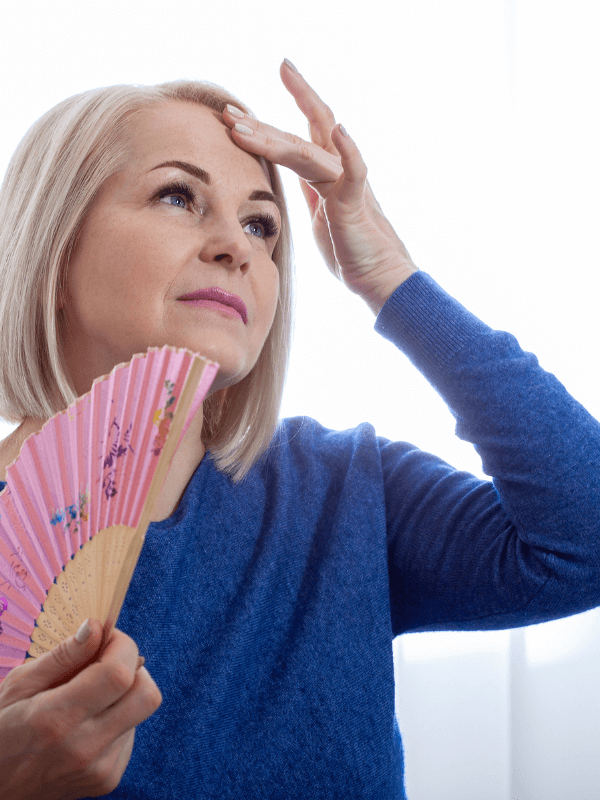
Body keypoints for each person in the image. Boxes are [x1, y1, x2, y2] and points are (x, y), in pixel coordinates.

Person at [0, 57, 598, 799]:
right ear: (55, 251)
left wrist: (386, 273)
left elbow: (584, 538)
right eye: (178, 196)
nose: (237, 246)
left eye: (262, 224)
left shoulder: (346, 490)